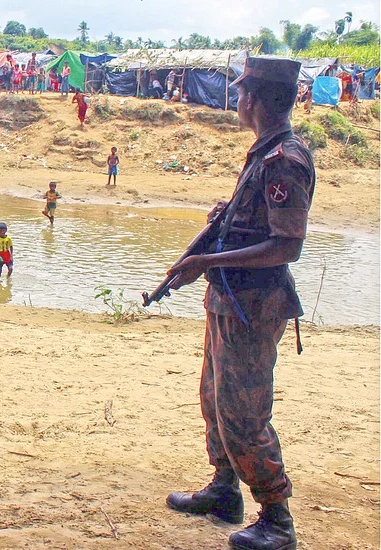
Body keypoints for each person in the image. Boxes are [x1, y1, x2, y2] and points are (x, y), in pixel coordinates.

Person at [163, 56, 315, 550]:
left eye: (243, 93)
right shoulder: (264, 153)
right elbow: (260, 225)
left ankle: (277, 519)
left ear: (258, 100)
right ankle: (224, 489)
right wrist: (226, 220)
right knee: (215, 398)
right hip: (232, 301)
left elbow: (286, 245)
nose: (238, 100)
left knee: (244, 411)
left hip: (254, 305)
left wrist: (206, 261)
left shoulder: (284, 160)